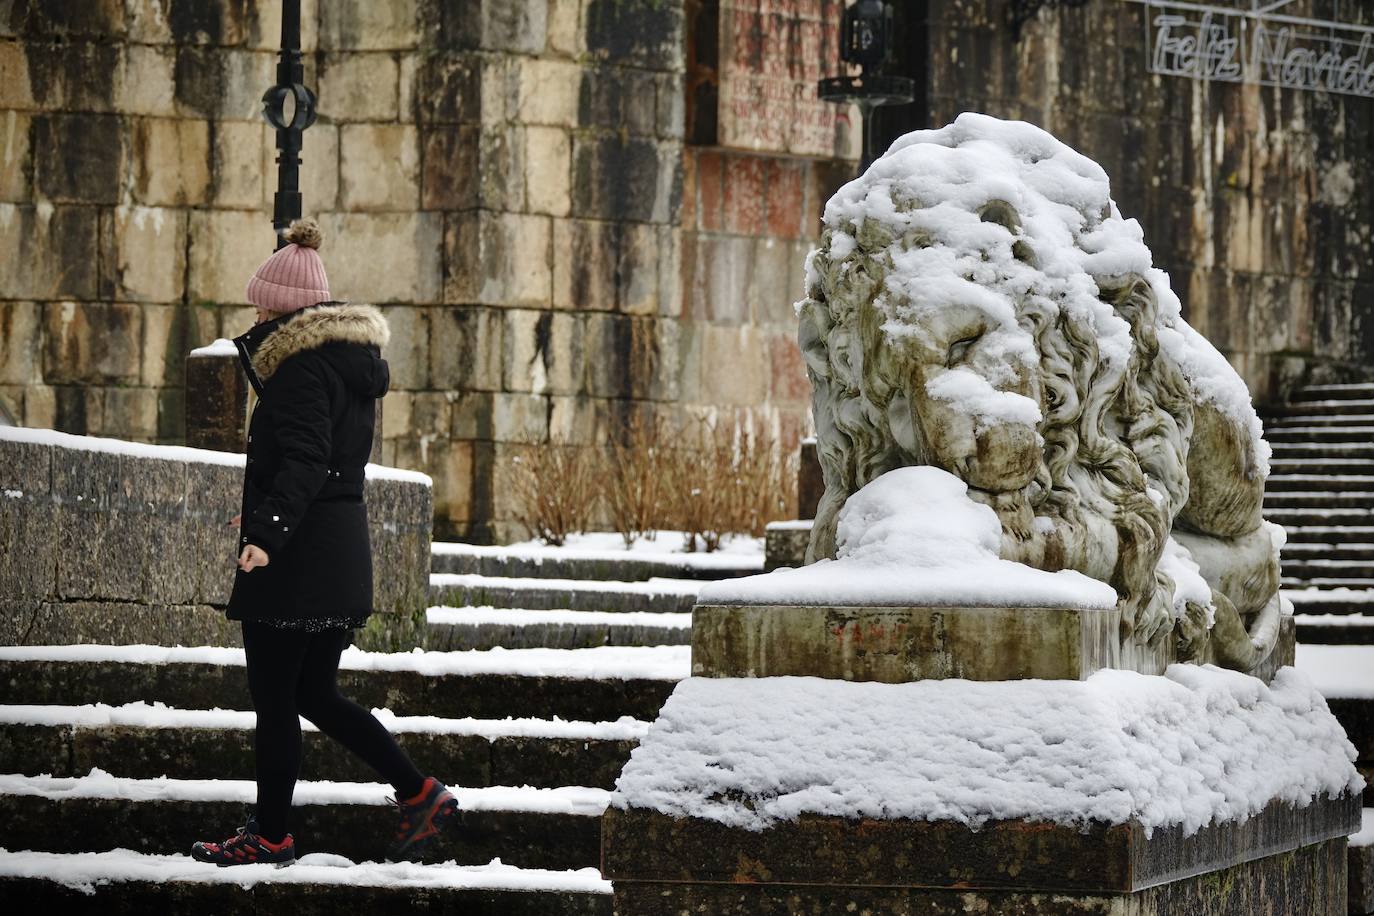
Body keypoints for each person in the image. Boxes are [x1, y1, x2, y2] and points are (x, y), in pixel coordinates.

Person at [191, 218, 457, 868]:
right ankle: (419, 791)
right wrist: (266, 517)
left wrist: (268, 534)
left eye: (262, 302)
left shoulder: (302, 369)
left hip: (299, 564)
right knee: (313, 696)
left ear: (284, 310)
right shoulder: (342, 366)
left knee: (277, 703)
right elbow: (325, 466)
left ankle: (272, 835)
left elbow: (307, 461)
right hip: (334, 557)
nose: (255, 311)